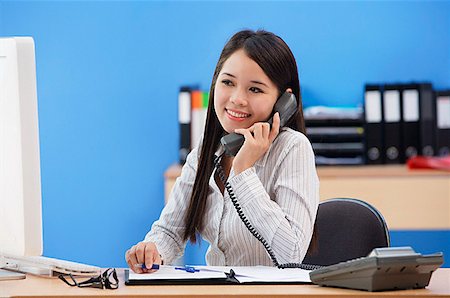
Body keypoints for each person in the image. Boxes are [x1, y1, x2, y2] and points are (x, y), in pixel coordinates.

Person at [125, 29, 319, 273]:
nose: (237, 99)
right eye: (228, 82)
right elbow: (170, 232)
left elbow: (290, 252)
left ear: (284, 101)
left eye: (255, 89)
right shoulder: (207, 152)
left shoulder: (292, 149)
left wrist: (243, 171)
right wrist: (152, 249)